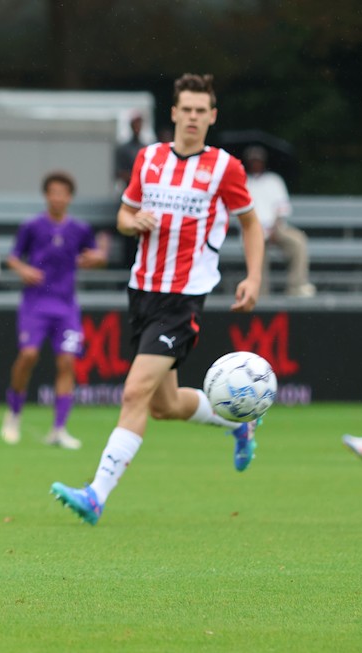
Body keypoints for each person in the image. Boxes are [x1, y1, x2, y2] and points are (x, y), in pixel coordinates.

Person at [50, 73, 266, 525]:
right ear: (173, 113)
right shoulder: (148, 159)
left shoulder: (225, 168)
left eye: (199, 110)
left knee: (134, 393)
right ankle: (237, 423)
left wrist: (254, 276)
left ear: (212, 117)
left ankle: (96, 495)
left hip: (183, 299)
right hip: (142, 290)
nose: (191, 117)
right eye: (184, 109)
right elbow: (125, 214)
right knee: (164, 405)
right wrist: (133, 223)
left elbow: (249, 223)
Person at [1, 171, 109, 449]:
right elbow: (13, 258)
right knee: (28, 355)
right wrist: (24, 269)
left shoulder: (80, 229)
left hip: (65, 306)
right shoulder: (32, 226)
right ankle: (14, 412)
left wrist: (96, 259)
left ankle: (59, 429)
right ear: (46, 195)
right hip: (35, 304)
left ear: (69, 197)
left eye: (63, 192)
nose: (58, 197)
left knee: (67, 362)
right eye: (53, 192)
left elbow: (95, 257)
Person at [243, 145, 316, 297]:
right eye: (252, 160)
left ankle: (296, 286)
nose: (255, 163)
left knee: (298, 241)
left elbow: (282, 209)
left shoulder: (274, 180)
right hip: (252, 231)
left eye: (258, 160)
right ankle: (259, 292)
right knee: (257, 251)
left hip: (276, 228)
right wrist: (258, 231)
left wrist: (274, 229)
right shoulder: (243, 182)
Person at [114, 112, 148, 189]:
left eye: (139, 123)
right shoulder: (123, 149)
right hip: (127, 188)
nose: (137, 126)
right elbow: (118, 172)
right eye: (135, 123)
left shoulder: (146, 148)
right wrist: (135, 177)